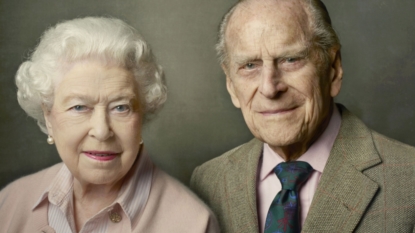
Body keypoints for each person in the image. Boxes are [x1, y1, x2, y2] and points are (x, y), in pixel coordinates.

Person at [190, 0, 415, 232]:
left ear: (333, 69)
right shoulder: (208, 181)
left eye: (291, 60)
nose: (269, 88)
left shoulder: (409, 181)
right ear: (230, 84)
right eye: (249, 65)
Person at [0, 17, 219, 233]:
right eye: (79, 107)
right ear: (49, 117)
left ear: (142, 115)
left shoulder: (193, 224)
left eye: (121, 107)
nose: (102, 131)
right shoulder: (9, 203)